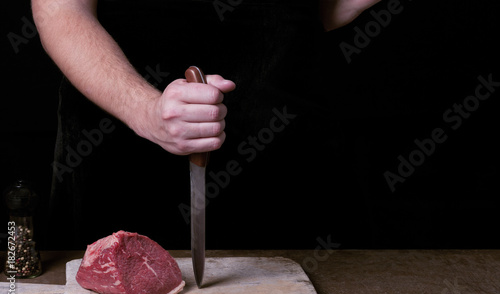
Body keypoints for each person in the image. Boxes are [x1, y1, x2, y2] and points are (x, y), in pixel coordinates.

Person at [32, 0, 381, 250]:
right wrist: (146, 111)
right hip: (127, 159)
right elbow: (60, 10)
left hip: (292, 164)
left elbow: (310, 12)